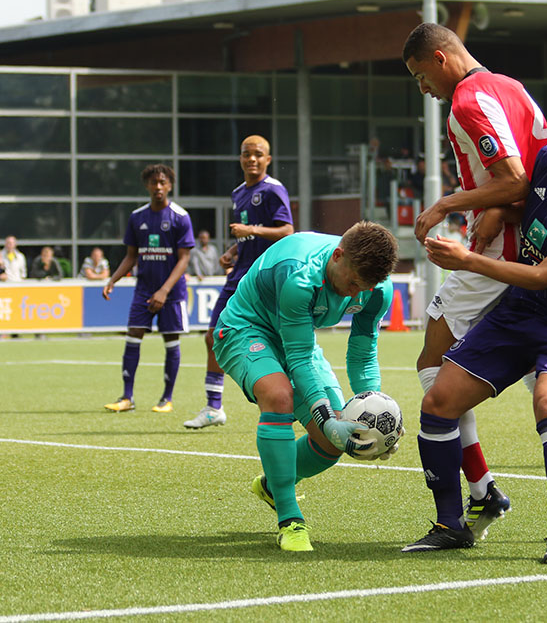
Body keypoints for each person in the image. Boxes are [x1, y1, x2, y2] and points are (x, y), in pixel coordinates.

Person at [402, 22, 547, 541]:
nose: (422, 88)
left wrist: (451, 204)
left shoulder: (468, 102)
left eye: (420, 74)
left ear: (441, 59)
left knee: (434, 360)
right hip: (533, 240)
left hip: (502, 252)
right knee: (534, 379)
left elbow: (518, 176)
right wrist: (509, 203)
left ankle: (480, 492)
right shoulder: (513, 87)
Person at [217, 222, 398, 552]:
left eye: (366, 287)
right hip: (247, 328)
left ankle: (273, 487)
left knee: (332, 443)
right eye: (353, 282)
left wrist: (376, 410)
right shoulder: (299, 277)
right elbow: (299, 357)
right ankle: (290, 520)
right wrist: (327, 419)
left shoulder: (377, 289)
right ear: (338, 256)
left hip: (296, 337)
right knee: (279, 395)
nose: (357, 293)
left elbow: (363, 350)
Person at [183, 135, 294, 430]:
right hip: (239, 273)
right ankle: (213, 407)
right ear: (240, 158)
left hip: (264, 276)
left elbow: (287, 231)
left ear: (268, 159)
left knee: (278, 340)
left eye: (258, 154)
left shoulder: (273, 189)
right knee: (212, 336)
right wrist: (234, 250)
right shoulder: (238, 193)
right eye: (247, 154)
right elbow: (250, 237)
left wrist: (250, 230)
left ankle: (289, 399)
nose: (252, 159)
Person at [102, 164, 195, 414]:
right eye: (153, 183)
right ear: (147, 186)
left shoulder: (180, 217)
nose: (158, 187)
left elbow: (184, 259)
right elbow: (131, 255)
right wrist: (113, 279)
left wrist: (164, 291)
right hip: (143, 290)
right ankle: (127, 397)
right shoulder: (137, 217)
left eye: (162, 182)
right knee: (133, 336)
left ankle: (166, 398)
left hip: (172, 294)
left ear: (170, 185)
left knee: (171, 341)